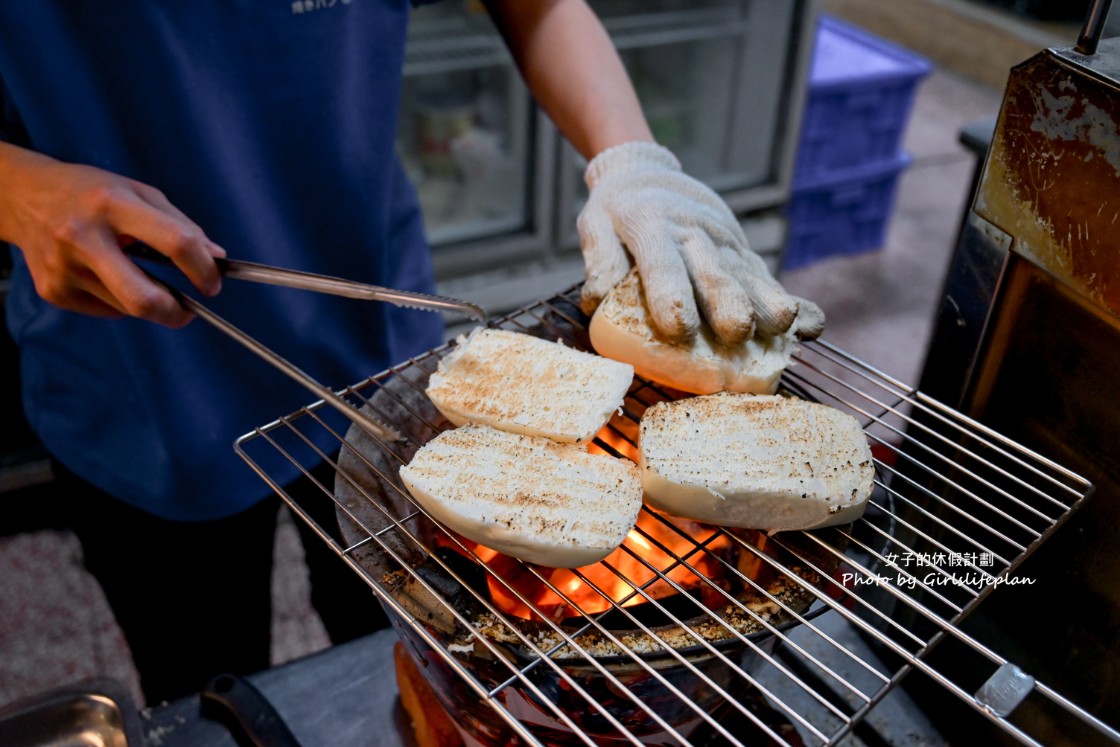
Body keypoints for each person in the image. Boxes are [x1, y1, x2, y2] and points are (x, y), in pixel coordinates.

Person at [0, 0, 821, 705]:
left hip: (374, 330)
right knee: (205, 672)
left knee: (406, 638)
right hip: (138, 364)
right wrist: (20, 191)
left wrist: (632, 161)